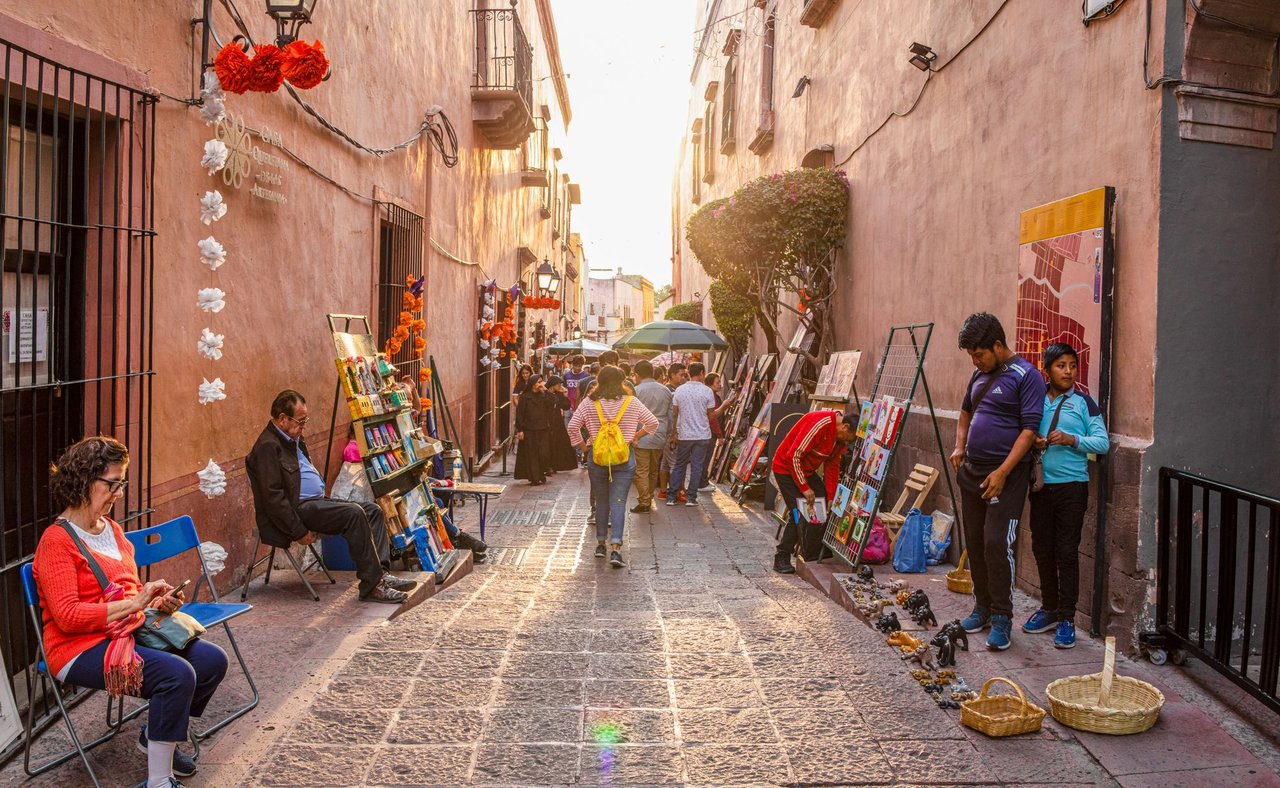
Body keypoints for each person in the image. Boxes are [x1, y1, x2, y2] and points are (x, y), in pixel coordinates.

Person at [34, 436, 227, 786]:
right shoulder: (56, 541)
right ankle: (159, 780)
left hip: (126, 630)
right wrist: (136, 604)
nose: (119, 493)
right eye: (113, 483)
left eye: (121, 483)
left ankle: (155, 733)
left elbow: (130, 589)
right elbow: (68, 616)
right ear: (83, 480)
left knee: (212, 661)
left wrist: (154, 602)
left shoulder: (113, 530)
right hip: (77, 648)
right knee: (176, 674)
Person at [246, 390, 413, 605]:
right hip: (299, 509)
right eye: (300, 420)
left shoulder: (293, 438)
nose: (304, 425)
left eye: (306, 419)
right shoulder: (268, 446)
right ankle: (371, 587)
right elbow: (273, 499)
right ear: (282, 418)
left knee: (373, 510)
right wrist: (298, 530)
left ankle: (379, 575)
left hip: (316, 502)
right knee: (354, 514)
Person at [950, 312, 1046, 651]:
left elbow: (1029, 430)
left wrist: (1003, 472)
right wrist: (960, 445)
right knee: (974, 542)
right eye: (972, 357)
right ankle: (983, 608)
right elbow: (965, 412)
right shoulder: (979, 374)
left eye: (979, 354)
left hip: (1005, 476)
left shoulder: (1027, 376)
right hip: (972, 472)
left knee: (996, 543)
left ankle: (1003, 617)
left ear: (997, 344)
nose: (975, 361)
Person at [1023, 343, 1110, 649]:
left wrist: (1073, 439)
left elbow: (1102, 443)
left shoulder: (1085, 404)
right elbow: (1021, 429)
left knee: (1066, 552)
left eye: (1072, 365)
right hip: (1040, 487)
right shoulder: (1035, 400)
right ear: (1047, 368)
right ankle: (1048, 609)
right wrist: (1033, 439)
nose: (1069, 371)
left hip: (1072, 487)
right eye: (1061, 365)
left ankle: (1066, 618)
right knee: (1042, 549)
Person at [568, 365, 658, 568]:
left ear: (599, 380)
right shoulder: (631, 402)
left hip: (597, 458)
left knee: (601, 501)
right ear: (621, 381)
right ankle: (616, 548)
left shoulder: (590, 403)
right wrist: (635, 436)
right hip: (624, 458)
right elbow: (652, 423)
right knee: (618, 502)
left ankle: (600, 544)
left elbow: (573, 427)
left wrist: (584, 448)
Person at [771, 410, 857, 573]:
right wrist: (804, 487)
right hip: (785, 470)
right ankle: (782, 555)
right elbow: (793, 456)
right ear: (845, 427)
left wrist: (831, 495)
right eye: (849, 439)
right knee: (798, 512)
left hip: (807, 472)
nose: (847, 443)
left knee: (822, 501)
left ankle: (810, 548)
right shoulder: (821, 424)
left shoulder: (839, 440)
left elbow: (832, 466)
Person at [666, 361, 717, 507]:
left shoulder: (680, 390)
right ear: (702, 373)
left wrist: (674, 433)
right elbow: (710, 415)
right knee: (697, 466)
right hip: (702, 435)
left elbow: (675, 414)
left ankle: (671, 496)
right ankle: (691, 497)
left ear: (689, 373)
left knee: (679, 465)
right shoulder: (707, 391)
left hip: (685, 435)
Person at [630, 360, 672, 513]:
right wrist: (669, 433)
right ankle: (648, 498)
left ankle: (644, 501)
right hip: (660, 433)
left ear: (637, 374)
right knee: (654, 469)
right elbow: (670, 415)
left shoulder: (637, 391)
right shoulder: (665, 390)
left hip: (641, 434)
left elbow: (632, 416)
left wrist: (632, 436)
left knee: (641, 470)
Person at [698, 372, 737, 491]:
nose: (720, 385)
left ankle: (703, 481)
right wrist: (720, 435)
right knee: (705, 458)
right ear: (710, 384)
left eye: (720, 382)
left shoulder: (713, 395)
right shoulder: (711, 397)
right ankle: (702, 483)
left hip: (709, 432)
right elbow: (713, 418)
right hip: (710, 433)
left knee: (705, 458)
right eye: (718, 382)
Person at [514, 375, 556, 486]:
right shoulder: (524, 397)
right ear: (532, 384)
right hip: (529, 430)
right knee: (532, 454)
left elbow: (554, 401)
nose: (540, 384)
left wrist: (546, 390)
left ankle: (541, 473)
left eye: (541, 382)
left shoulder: (544, 395)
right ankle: (534, 478)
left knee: (543, 453)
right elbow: (519, 414)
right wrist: (520, 430)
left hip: (543, 429)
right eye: (538, 382)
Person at [658, 362, 689, 501]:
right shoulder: (670, 391)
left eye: (685, 375)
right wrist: (673, 434)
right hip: (671, 432)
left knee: (665, 462)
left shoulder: (673, 389)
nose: (684, 378)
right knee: (676, 463)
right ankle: (678, 491)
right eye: (681, 375)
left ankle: (664, 491)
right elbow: (672, 415)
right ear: (672, 375)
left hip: (667, 432)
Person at [545, 376, 581, 472]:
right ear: (553, 384)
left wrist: (565, 395)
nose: (560, 386)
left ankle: (556, 465)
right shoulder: (545, 394)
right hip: (546, 420)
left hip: (557, 421)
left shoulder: (559, 394)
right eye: (558, 384)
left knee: (558, 443)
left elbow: (566, 406)